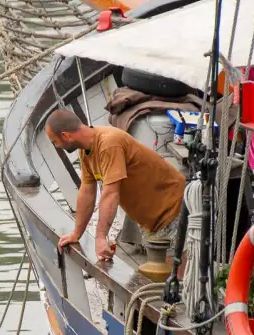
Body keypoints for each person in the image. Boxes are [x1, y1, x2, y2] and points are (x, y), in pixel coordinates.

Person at [44, 109, 187, 261]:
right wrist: (76, 233)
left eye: (55, 142)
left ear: (66, 135)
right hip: (150, 221)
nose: (57, 146)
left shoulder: (108, 143)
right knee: (160, 273)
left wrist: (100, 237)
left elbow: (111, 193)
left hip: (172, 208)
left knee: (174, 274)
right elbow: (87, 192)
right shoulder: (86, 151)